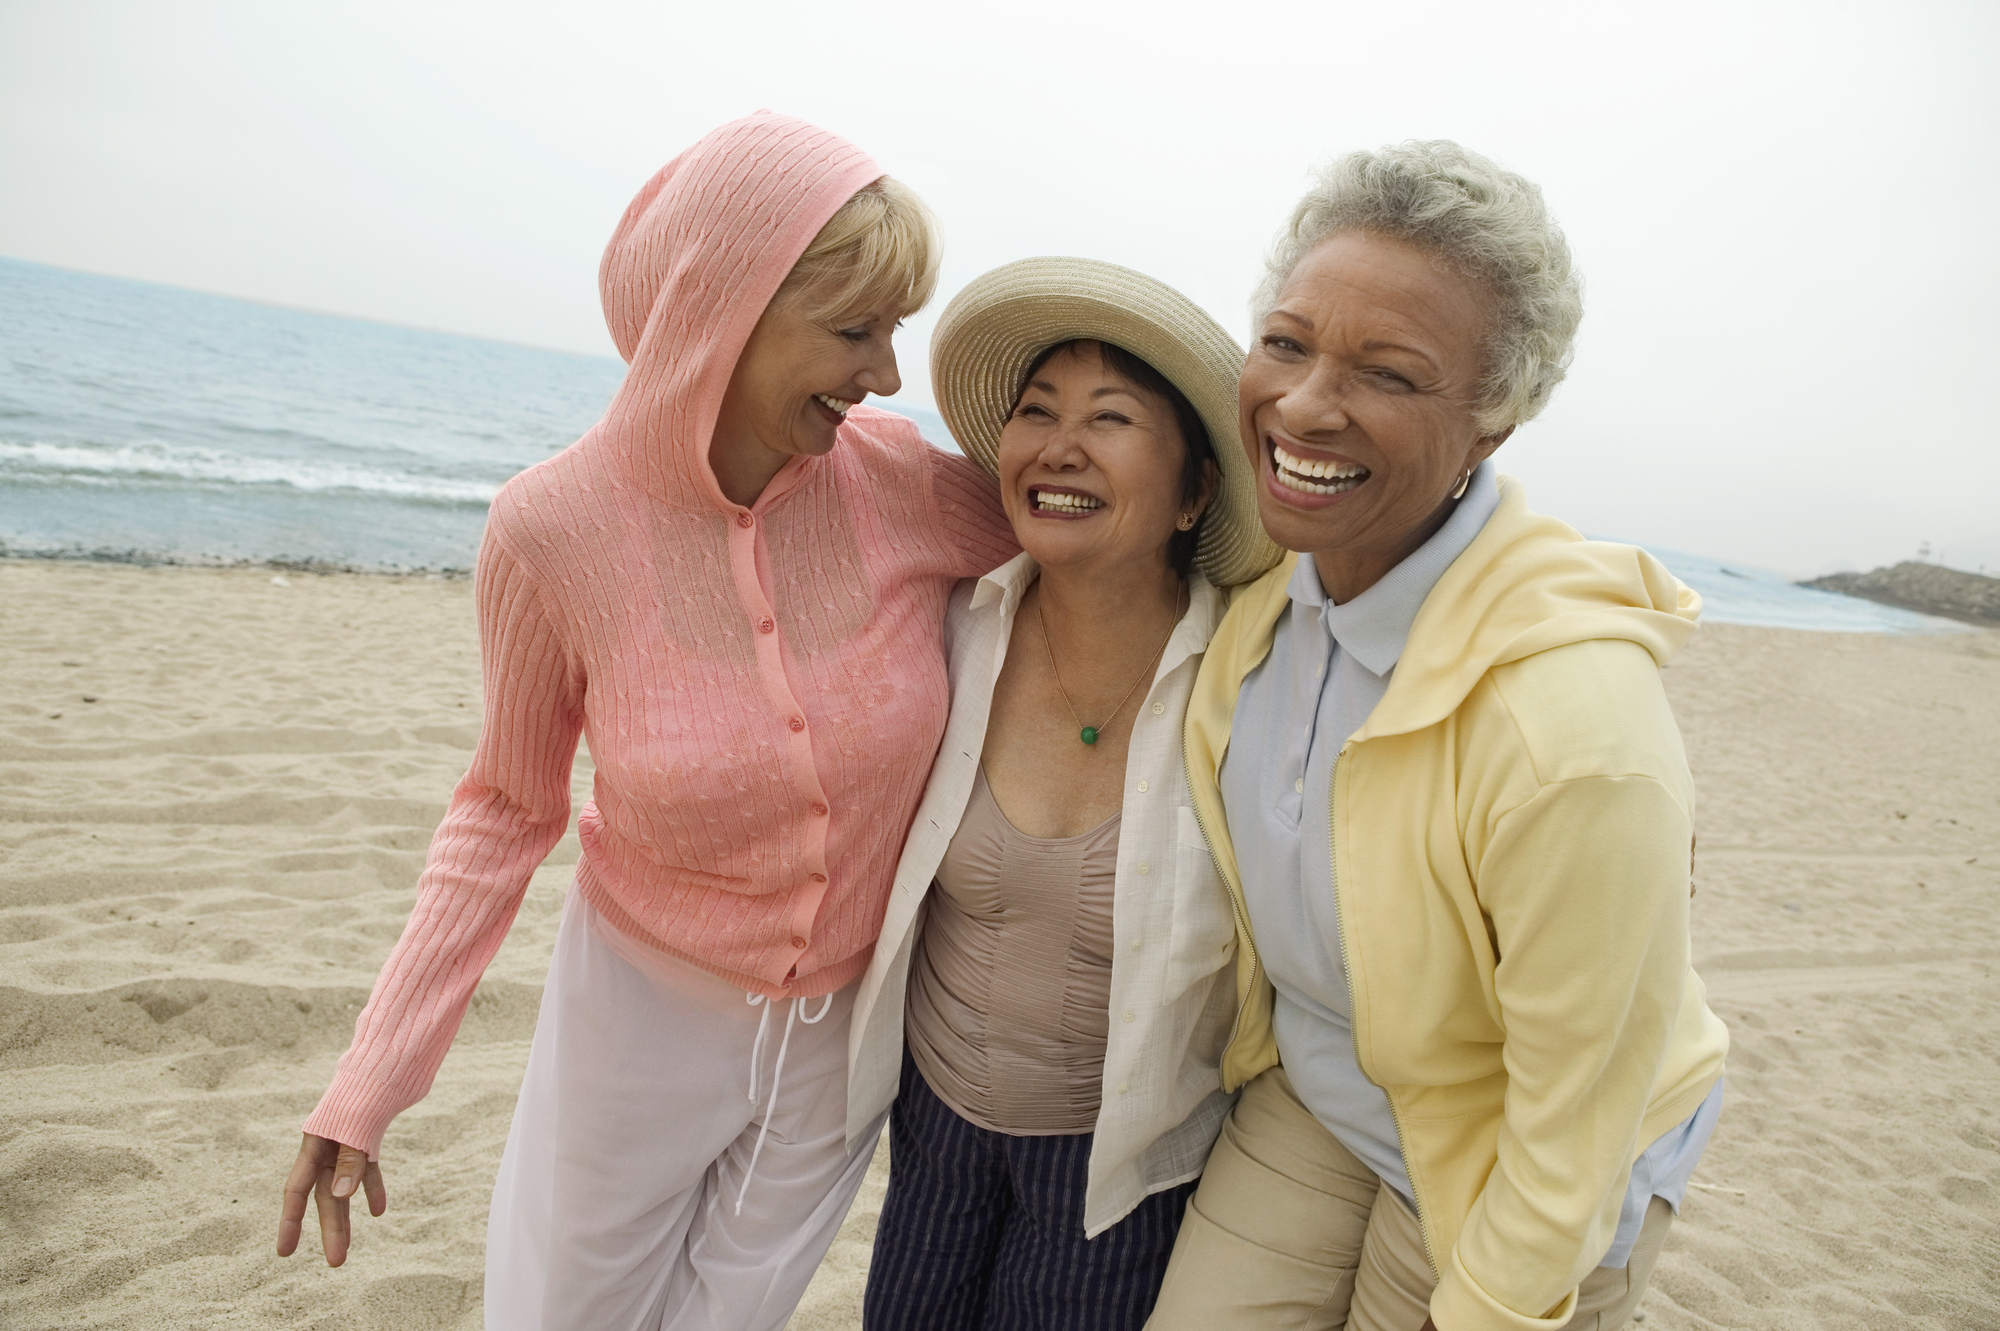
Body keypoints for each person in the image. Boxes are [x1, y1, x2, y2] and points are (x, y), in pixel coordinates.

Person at [273, 112, 1017, 1331]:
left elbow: (1110, 540)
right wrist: (371, 1078)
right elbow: (504, 814)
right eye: (852, 329)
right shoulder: (548, 530)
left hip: (844, 1038)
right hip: (635, 1016)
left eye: (893, 330)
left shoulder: (901, 481)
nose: (886, 374)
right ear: (718, 311)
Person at [1146, 142, 1729, 1331]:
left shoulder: (1573, 729)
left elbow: (1575, 1111)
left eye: (1389, 374)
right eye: (1286, 342)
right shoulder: (1267, 599)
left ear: (1489, 427)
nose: (1305, 403)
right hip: (1319, 1091)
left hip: (1525, 1147)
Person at [844, 258, 1282, 1331]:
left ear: (1191, 491)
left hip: (1121, 1164)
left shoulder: (1252, 677)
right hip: (932, 1120)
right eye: (1035, 413)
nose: (1056, 445)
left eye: (1109, 417)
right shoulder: (953, 625)